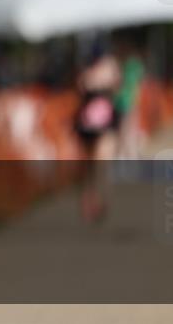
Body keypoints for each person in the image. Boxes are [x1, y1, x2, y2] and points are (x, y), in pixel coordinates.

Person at [74, 41, 121, 222]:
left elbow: (118, 88)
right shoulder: (85, 69)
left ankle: (102, 199)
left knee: (102, 162)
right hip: (87, 123)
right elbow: (80, 88)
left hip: (106, 122)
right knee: (89, 165)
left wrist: (106, 82)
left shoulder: (111, 67)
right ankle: (89, 199)